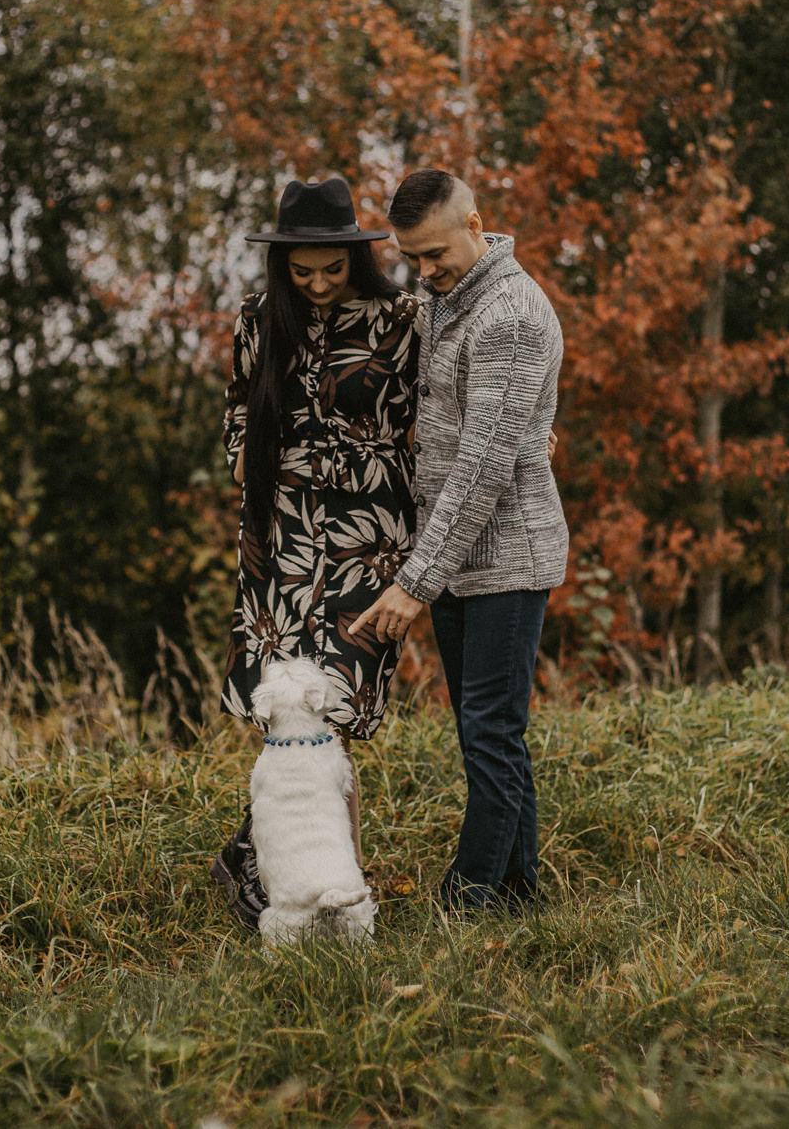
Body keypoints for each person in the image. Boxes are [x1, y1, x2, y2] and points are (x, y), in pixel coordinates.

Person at [347, 168, 568, 915]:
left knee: (490, 730)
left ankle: (467, 898)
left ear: (477, 226)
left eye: (436, 252)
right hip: (461, 561)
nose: (425, 269)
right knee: (490, 733)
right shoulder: (449, 299)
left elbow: (481, 471)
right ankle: (519, 892)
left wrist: (413, 582)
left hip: (505, 556)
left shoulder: (507, 313)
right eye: (413, 257)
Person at [210, 176, 422, 930]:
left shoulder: (402, 316)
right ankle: (272, 870)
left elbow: (430, 412)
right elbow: (239, 402)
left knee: (340, 709)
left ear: (356, 256)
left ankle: (339, 885)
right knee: (284, 712)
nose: (320, 284)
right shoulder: (261, 316)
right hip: (280, 529)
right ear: (282, 266)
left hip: (367, 532)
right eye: (303, 272)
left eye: (332, 269)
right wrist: (241, 452)